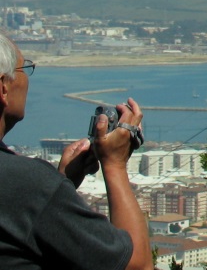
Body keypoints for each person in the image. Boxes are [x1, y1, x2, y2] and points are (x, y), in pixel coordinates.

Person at [0, 33, 151, 270]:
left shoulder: (32, 189)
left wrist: (61, 183)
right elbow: (137, 265)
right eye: (24, 69)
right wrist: (114, 164)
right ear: (3, 88)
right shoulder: (27, 183)